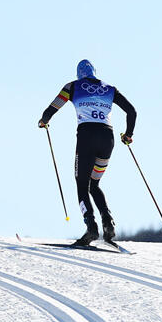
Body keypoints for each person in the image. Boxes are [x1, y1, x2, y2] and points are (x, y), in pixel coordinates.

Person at [39, 59, 137, 245]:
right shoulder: (110, 89)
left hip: (86, 137)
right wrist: (129, 135)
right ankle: (108, 225)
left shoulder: (72, 87)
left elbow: (52, 108)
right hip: (107, 139)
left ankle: (91, 227)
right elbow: (132, 111)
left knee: (82, 184)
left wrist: (44, 121)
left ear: (79, 74)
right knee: (95, 183)